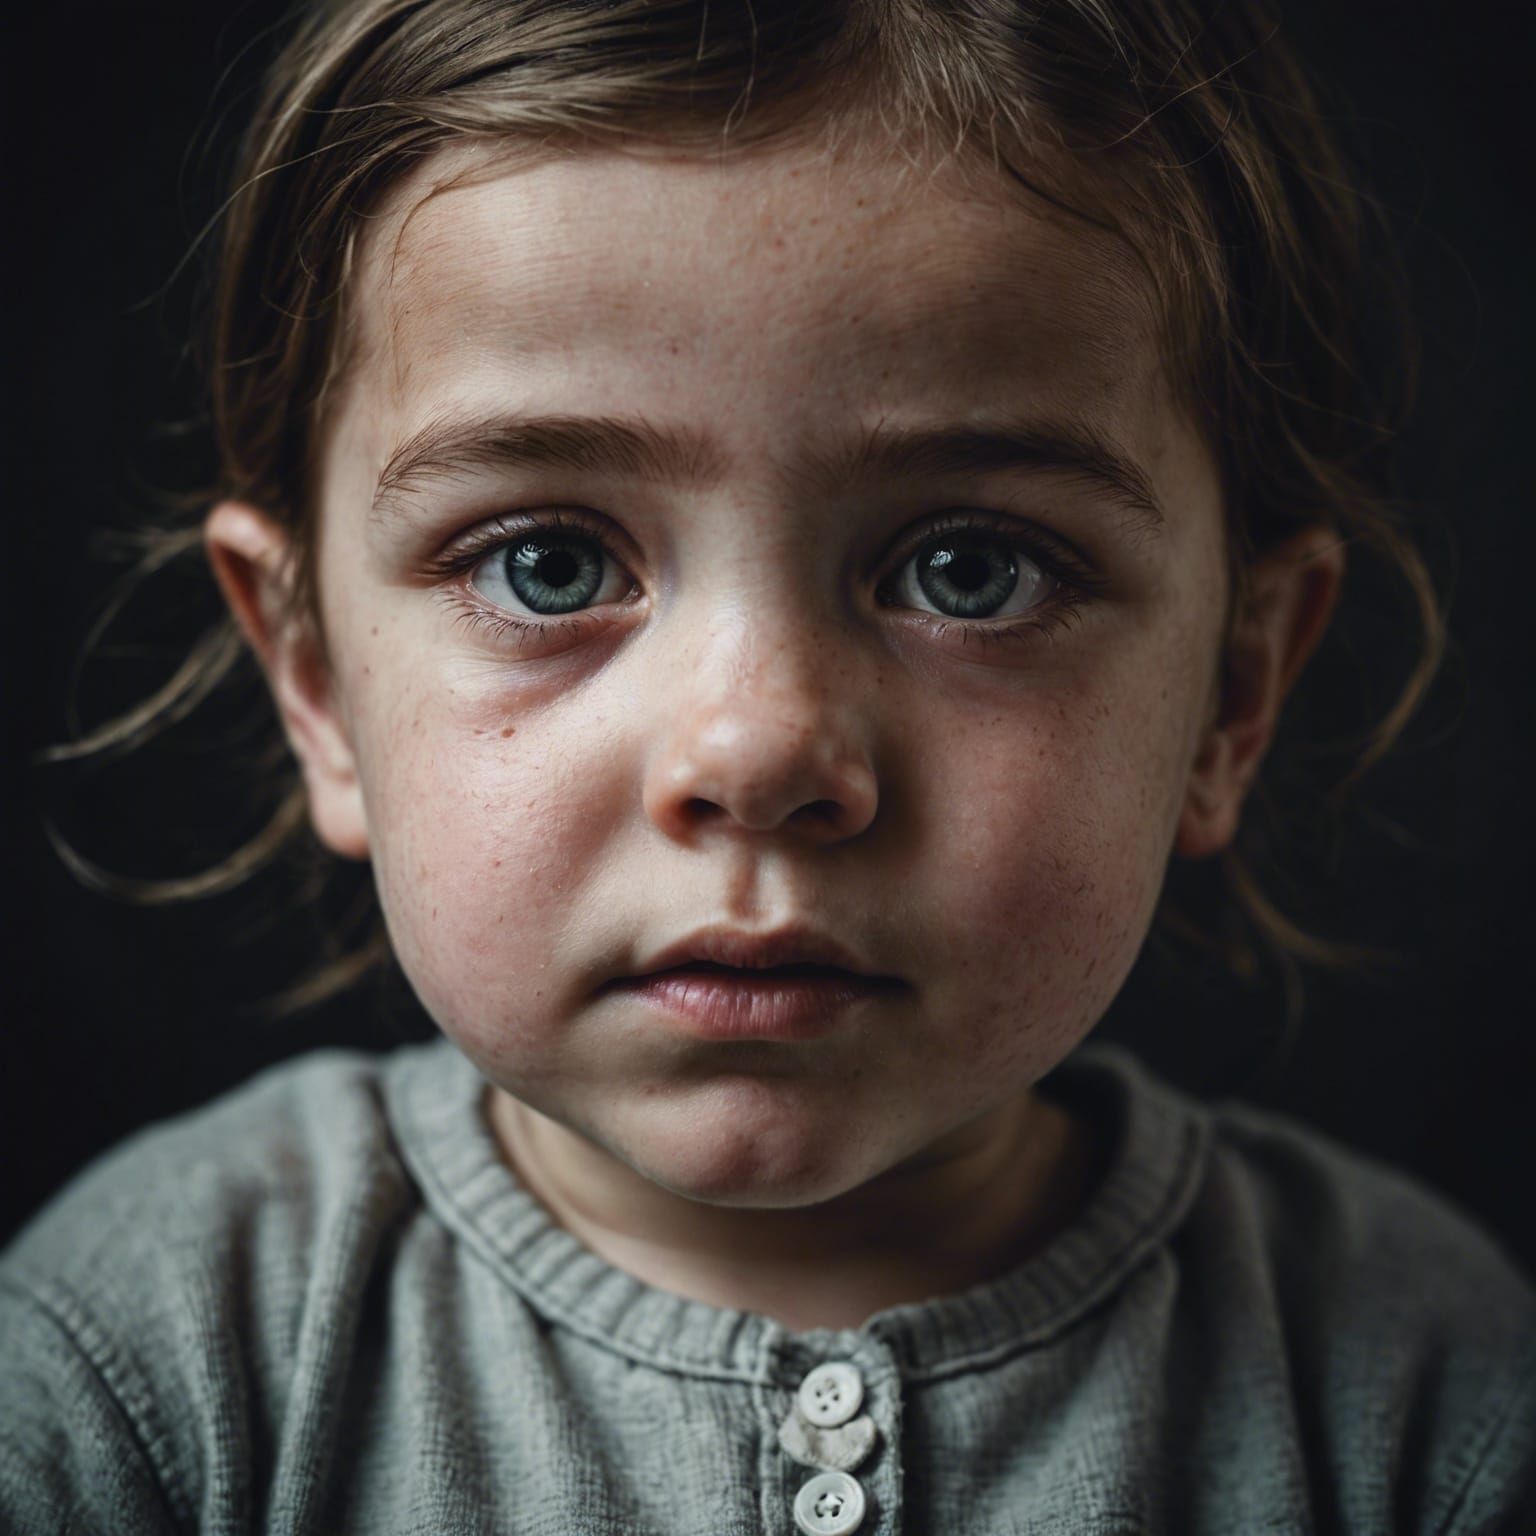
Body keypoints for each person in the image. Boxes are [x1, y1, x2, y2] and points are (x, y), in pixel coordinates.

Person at [3, 1, 1532, 1531]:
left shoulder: (1426, 1401)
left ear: (1230, 697)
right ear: (317, 678)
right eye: (545, 565)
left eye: (972, 571)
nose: (758, 752)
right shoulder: (134, 1365)